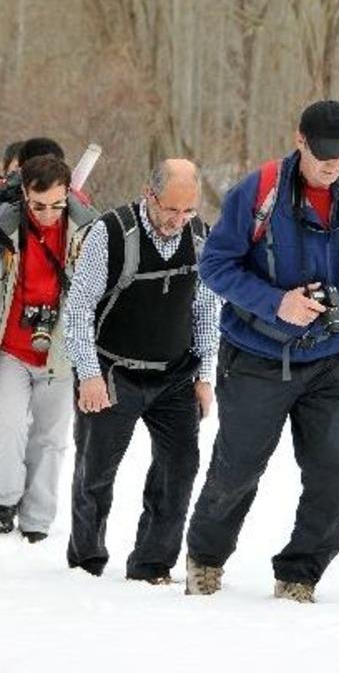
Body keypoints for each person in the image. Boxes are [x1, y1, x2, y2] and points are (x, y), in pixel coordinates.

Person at [184, 100, 339, 602]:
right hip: (256, 358)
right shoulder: (257, 193)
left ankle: (300, 574)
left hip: (331, 358)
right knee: (237, 469)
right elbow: (214, 266)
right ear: (299, 140)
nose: (333, 166)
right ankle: (206, 558)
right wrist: (276, 301)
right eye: (324, 155)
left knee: (336, 471)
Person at [65, 159, 219, 583]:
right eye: (171, 209)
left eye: (188, 211)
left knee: (180, 468)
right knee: (95, 473)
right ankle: (86, 561)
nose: (179, 220)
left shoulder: (201, 238)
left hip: (174, 375)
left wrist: (205, 376)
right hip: (114, 372)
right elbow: (77, 310)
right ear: (148, 195)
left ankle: (152, 564)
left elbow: (207, 308)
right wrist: (89, 374)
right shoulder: (110, 235)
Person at [0, 155, 97, 541]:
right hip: (10, 348)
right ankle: (3, 499)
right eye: (38, 205)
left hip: (62, 353)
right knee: (8, 426)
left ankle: (37, 519)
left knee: (50, 439)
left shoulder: (91, 232)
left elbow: (106, 297)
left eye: (56, 205)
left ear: (69, 195)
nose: (47, 214)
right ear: (24, 195)